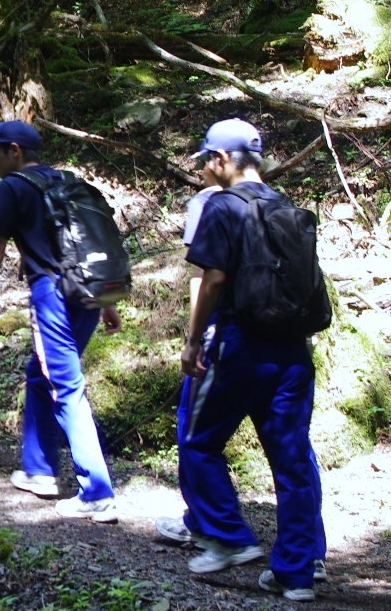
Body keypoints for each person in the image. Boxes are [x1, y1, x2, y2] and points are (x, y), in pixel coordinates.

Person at [155, 154, 330, 587]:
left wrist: (194, 340)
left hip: (238, 343)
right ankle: (298, 573)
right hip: (292, 349)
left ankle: (228, 536)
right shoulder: (283, 202)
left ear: (221, 159)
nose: (200, 169)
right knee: (292, 460)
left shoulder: (222, 204)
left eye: (203, 160)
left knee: (197, 440)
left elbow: (212, 278)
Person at [0, 120, 119, 521]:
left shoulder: (14, 187)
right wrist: (107, 300)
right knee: (40, 374)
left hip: (53, 294)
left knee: (66, 385)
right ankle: (40, 470)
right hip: (87, 293)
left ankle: (96, 491)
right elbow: (88, 242)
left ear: (15, 151)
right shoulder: (65, 181)